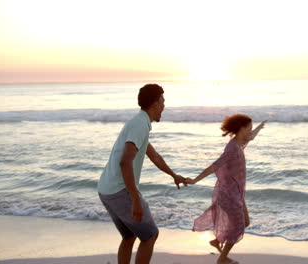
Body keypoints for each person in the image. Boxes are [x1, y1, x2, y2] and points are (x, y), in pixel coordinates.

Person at [98, 84, 187, 264]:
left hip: (106, 189)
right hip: (119, 190)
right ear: (154, 104)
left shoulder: (139, 122)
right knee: (150, 236)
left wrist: (173, 175)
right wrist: (135, 200)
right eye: (162, 101)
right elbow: (125, 162)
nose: (164, 106)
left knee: (129, 237)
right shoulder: (140, 125)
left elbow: (154, 155)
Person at [187, 114, 267, 264]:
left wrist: (259, 128)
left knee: (245, 222)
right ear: (241, 129)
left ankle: (217, 241)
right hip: (229, 194)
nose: (250, 131)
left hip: (237, 193)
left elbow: (251, 137)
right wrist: (195, 180)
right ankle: (222, 258)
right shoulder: (232, 148)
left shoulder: (240, 143)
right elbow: (214, 166)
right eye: (249, 128)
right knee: (238, 227)